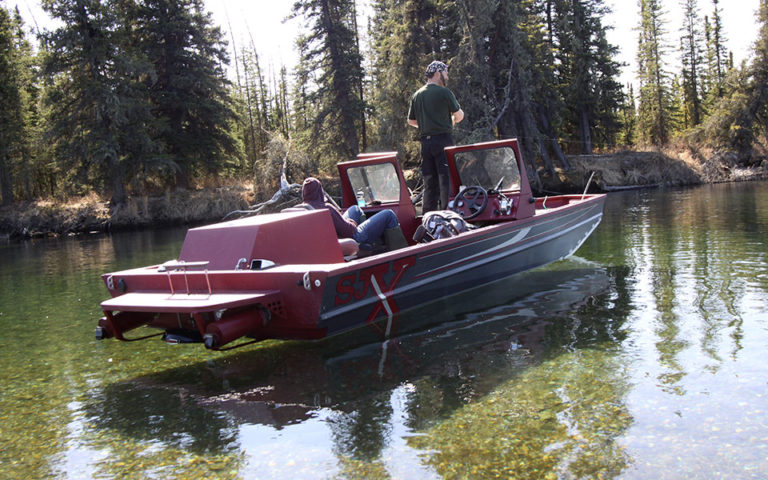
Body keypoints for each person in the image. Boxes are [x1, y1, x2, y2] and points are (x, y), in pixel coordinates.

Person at [407, 60, 464, 213]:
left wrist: (427, 125)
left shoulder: (417, 95)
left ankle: (428, 218)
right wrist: (449, 121)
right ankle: (448, 215)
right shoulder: (444, 92)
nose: (447, 77)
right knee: (447, 180)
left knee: (429, 182)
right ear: (438, 73)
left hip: (426, 144)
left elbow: (411, 121)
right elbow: (459, 116)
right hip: (443, 141)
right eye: (446, 73)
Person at [301, 177, 399, 245]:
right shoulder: (326, 209)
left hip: (333, 237)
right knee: (388, 214)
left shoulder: (303, 210)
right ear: (320, 191)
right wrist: (351, 223)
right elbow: (349, 231)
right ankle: (400, 253)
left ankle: (371, 246)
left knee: (355, 208)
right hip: (352, 238)